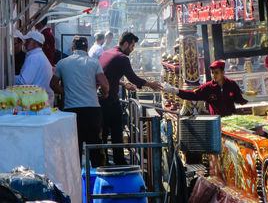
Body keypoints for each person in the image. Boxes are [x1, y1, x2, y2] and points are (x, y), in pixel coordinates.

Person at [99, 32, 162, 165]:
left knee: (104, 133)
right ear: (126, 44)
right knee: (117, 132)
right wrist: (151, 85)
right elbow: (133, 78)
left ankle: (103, 160)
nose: (132, 49)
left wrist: (122, 83)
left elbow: (108, 76)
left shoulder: (107, 53)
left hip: (100, 99)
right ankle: (119, 161)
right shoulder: (122, 58)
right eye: (132, 46)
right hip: (110, 100)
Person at [50, 36, 109, 167]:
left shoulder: (62, 63)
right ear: (86, 48)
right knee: (95, 150)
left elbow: (53, 84)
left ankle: (74, 182)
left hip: (72, 112)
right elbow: (104, 84)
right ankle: (97, 179)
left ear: (72, 48)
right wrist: (105, 93)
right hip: (92, 111)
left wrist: (65, 91)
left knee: (74, 151)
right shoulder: (94, 63)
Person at [163, 60, 248, 116]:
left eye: (216, 73)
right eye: (212, 73)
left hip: (231, 120)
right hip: (217, 121)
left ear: (223, 73)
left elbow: (239, 100)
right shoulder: (208, 87)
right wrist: (176, 91)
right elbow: (194, 95)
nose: (214, 75)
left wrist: (247, 97)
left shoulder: (231, 84)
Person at [15, 30, 54, 106]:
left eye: (28, 41)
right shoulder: (38, 56)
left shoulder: (34, 57)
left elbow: (24, 81)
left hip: (37, 103)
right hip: (41, 101)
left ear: (35, 42)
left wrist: (6, 77)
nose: (25, 44)